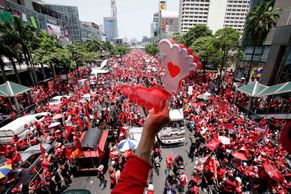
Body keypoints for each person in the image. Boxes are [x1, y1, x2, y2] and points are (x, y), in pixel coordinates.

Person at [112, 106, 170, 194]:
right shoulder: (127, 155)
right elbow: (128, 186)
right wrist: (149, 132)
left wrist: (149, 132)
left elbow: (128, 185)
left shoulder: (129, 154)